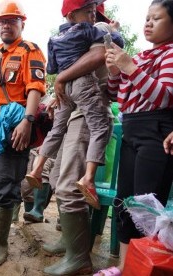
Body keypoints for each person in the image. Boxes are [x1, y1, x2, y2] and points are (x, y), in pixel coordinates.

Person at [95, 1, 173, 275]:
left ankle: (143, 268)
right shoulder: (141, 57)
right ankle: (124, 267)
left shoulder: (170, 55)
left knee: (147, 205)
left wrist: (130, 68)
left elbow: (163, 97)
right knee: (126, 202)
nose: (149, 23)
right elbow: (118, 93)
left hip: (157, 131)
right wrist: (117, 71)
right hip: (132, 128)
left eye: (157, 18)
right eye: (147, 18)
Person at [25, 0, 123, 210]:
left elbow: (52, 68)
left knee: (57, 134)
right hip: (83, 92)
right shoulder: (92, 30)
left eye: (94, 11)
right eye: (90, 11)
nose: (93, 16)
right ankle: (87, 178)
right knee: (100, 128)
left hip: (70, 97)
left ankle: (36, 169)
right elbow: (105, 48)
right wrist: (115, 31)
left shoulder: (57, 37)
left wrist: (61, 78)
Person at [0, 0, 45, 268]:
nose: (6, 24)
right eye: (2, 21)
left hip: (15, 128)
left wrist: (27, 121)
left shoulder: (30, 50)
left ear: (21, 23)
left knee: (4, 183)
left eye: (12, 20)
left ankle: (1, 245)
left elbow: (35, 87)